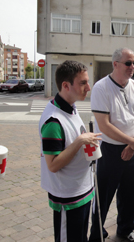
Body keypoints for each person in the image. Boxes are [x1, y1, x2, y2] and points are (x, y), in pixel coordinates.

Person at [39, 60, 102, 242]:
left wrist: (85, 143)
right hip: (68, 197)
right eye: (83, 83)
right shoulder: (53, 121)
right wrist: (79, 141)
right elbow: (53, 165)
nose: (88, 87)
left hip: (82, 191)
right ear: (66, 85)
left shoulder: (71, 109)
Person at [89, 48, 134, 242]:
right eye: (128, 63)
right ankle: (97, 233)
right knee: (103, 195)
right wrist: (130, 142)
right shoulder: (101, 87)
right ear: (115, 64)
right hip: (109, 149)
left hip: (133, 149)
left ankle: (126, 229)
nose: (132, 67)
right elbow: (104, 125)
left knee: (131, 193)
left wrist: (133, 145)